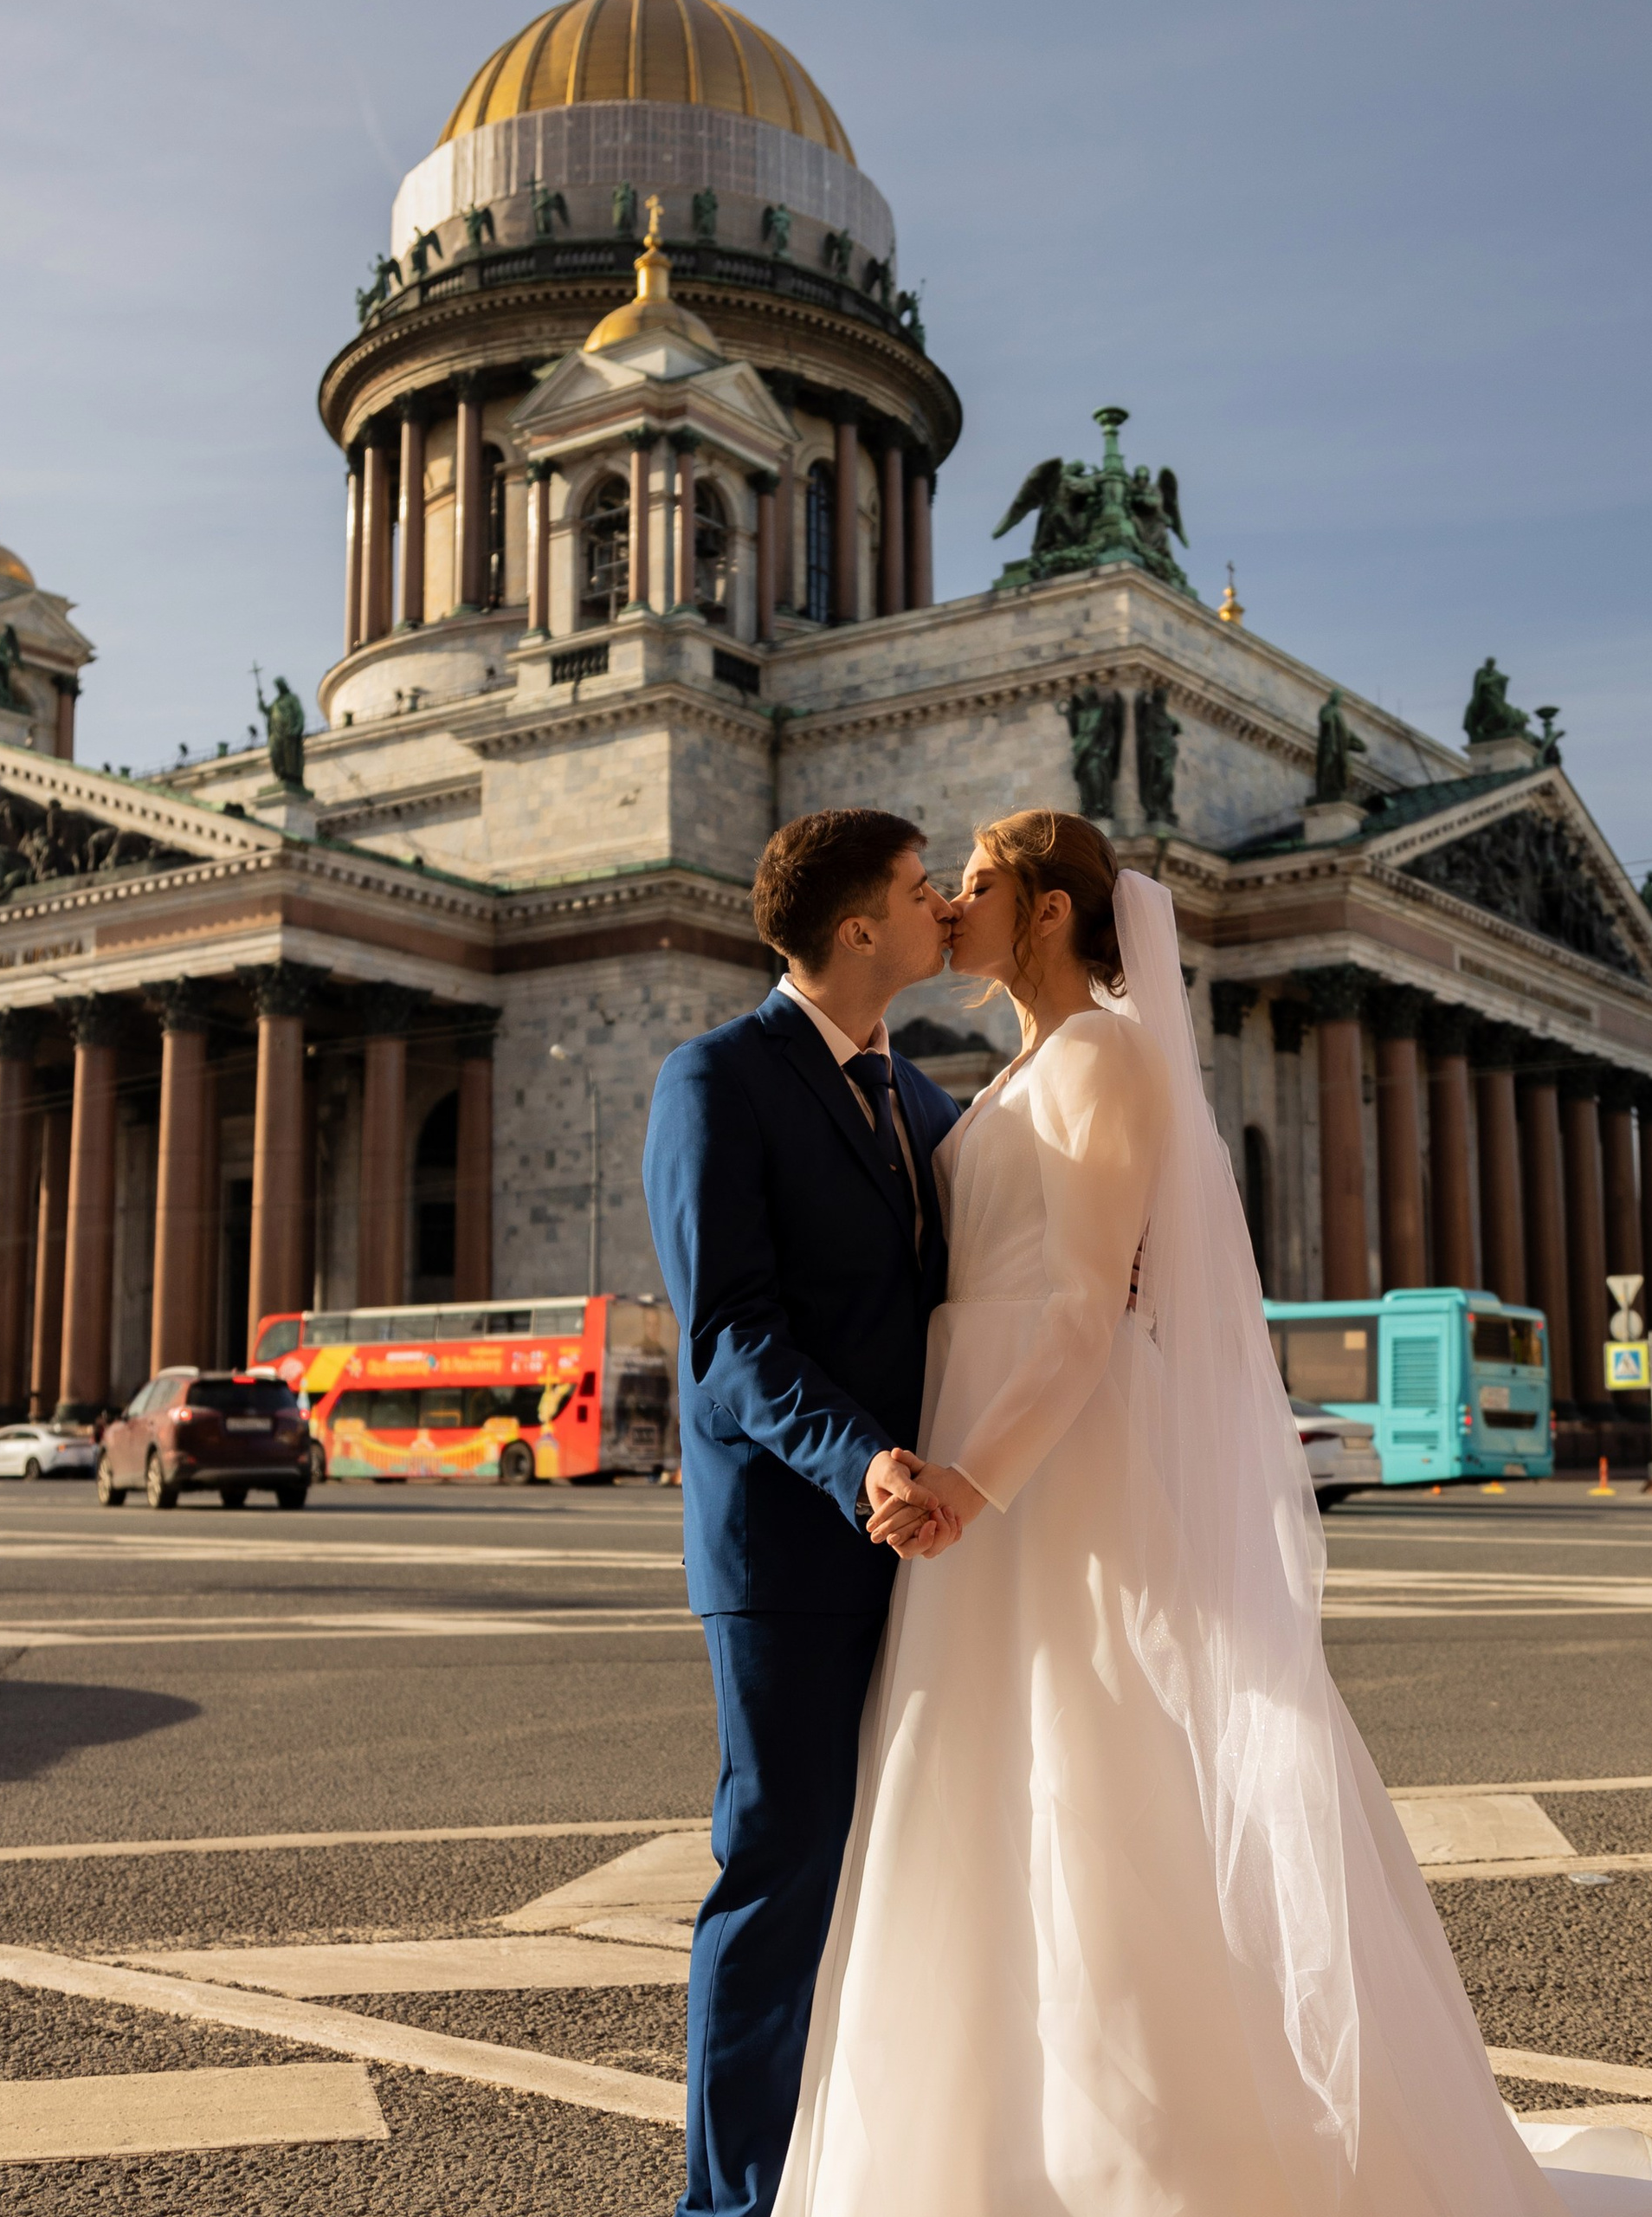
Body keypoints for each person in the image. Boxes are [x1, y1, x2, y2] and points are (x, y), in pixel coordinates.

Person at [771, 809, 1652, 2215]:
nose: (949, 907)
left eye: (975, 886)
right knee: (1000, 1786)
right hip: (982, 1467)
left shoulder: (1108, 1050)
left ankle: (1170, 2155)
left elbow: (1081, 1310)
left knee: (1104, 1785)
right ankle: (1014, 2149)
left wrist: (973, 1483)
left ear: (1051, 913)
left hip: (1049, 1472)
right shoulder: (1013, 1067)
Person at [642, 809, 963, 2217]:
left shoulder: (931, 1100)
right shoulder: (714, 1079)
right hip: (789, 1543)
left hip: (935, 1548)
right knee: (779, 1874)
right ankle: (730, 2207)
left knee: (913, 1872)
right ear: (855, 930)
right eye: (916, 888)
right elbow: (729, 1336)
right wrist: (860, 1460)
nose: (941, 903)